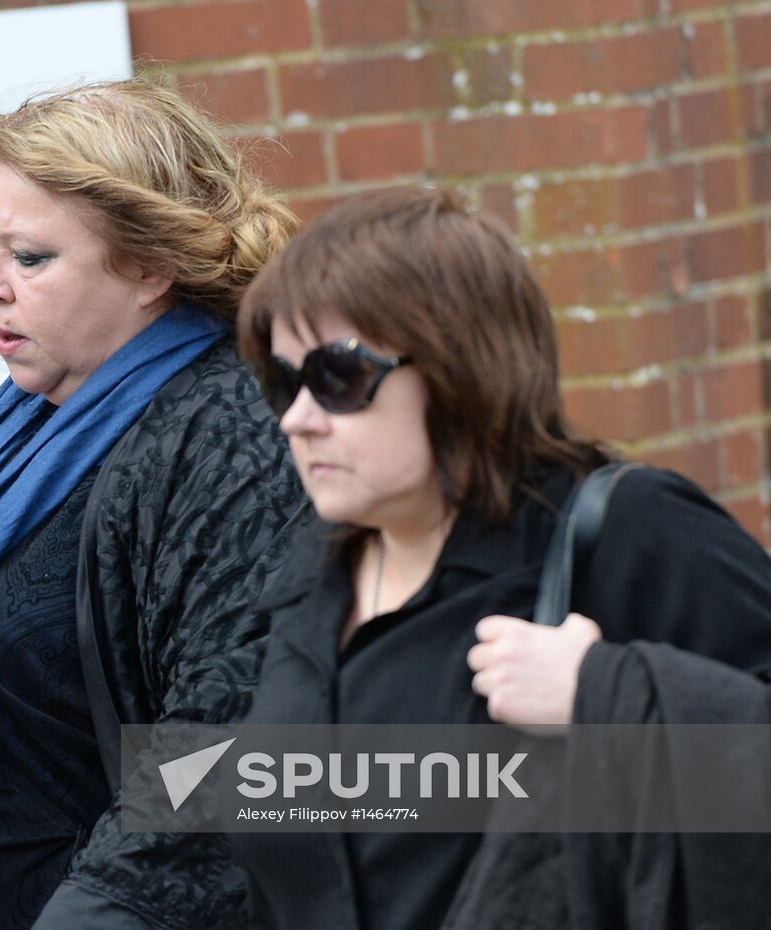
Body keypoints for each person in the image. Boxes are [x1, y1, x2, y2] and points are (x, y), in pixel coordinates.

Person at [0, 79, 306, 930]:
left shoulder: (229, 434)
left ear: (150, 265)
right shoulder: (10, 425)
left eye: (29, 257)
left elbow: (230, 753)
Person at [228, 186, 771, 929]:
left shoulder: (625, 532)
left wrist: (608, 694)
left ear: (459, 370)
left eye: (338, 377)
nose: (297, 418)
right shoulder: (310, 576)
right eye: (282, 382)